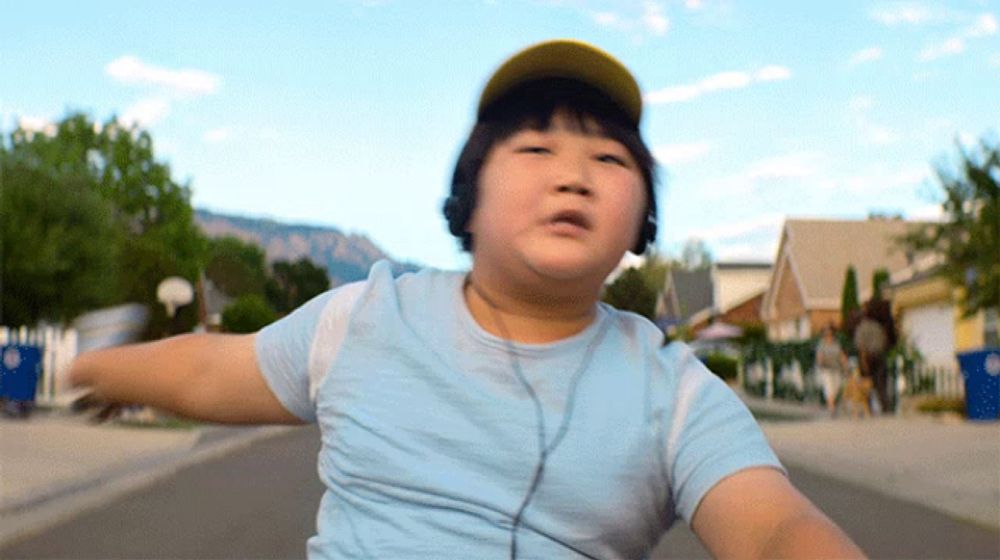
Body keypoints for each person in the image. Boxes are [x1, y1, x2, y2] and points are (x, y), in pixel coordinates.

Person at [69, 39, 863, 559]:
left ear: (640, 222)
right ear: (468, 199)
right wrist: (106, 370)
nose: (572, 172)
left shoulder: (677, 389)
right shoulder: (367, 318)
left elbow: (772, 529)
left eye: (611, 159)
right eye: (536, 148)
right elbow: (212, 369)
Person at [815, 324, 848, 416]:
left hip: (837, 369)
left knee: (837, 388)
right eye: (827, 334)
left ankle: (832, 404)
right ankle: (832, 409)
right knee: (829, 389)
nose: (829, 336)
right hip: (827, 369)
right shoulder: (821, 345)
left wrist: (845, 365)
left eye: (830, 334)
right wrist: (820, 363)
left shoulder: (836, 343)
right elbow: (819, 356)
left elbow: (841, 355)